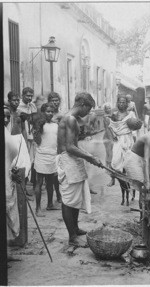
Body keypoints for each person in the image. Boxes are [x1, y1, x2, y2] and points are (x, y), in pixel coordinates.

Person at [57, 92, 103, 247]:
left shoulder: (73, 119)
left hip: (73, 160)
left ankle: (75, 228)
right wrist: (90, 157)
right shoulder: (70, 119)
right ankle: (72, 237)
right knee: (69, 200)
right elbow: (70, 147)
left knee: (76, 198)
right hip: (67, 159)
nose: (88, 112)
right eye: (88, 109)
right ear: (83, 104)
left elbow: (76, 139)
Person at [108, 94, 137, 205]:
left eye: (123, 102)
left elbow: (135, 127)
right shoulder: (114, 115)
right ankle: (113, 178)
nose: (121, 104)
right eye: (119, 102)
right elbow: (110, 126)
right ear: (117, 103)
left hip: (127, 139)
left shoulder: (130, 114)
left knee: (128, 165)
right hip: (118, 140)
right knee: (115, 163)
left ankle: (131, 189)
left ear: (127, 103)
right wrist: (113, 134)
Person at [33, 103, 61, 217]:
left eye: (51, 111)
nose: (50, 113)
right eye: (47, 111)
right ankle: (38, 208)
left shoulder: (55, 125)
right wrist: (37, 130)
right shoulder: (40, 125)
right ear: (43, 112)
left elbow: (57, 141)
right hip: (41, 156)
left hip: (52, 156)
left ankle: (50, 204)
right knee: (39, 183)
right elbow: (38, 142)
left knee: (50, 182)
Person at [17, 87, 37, 187]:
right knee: (23, 160)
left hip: (31, 136)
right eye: (27, 95)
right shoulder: (18, 105)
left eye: (31, 96)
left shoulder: (32, 106)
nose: (29, 98)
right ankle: (23, 185)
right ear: (23, 95)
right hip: (22, 136)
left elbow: (35, 120)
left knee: (32, 160)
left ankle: (30, 183)